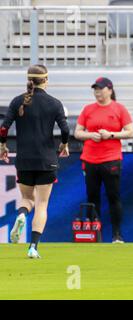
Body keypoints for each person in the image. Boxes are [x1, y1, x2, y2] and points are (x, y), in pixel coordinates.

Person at [0, 64, 70, 258]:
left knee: (27, 199)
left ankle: (22, 214)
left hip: (24, 160)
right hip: (47, 160)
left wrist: (3, 146)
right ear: (46, 80)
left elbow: (3, 128)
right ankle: (33, 247)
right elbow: (65, 130)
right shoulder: (54, 103)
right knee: (41, 204)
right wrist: (64, 144)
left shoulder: (17, 101)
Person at [74, 77, 133, 243]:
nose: (97, 92)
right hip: (90, 159)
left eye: (100, 88)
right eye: (95, 89)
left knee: (113, 197)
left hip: (111, 159)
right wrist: (90, 135)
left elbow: (130, 132)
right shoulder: (88, 109)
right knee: (92, 197)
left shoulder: (119, 109)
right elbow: (77, 132)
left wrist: (111, 135)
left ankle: (116, 235)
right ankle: (93, 235)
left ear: (109, 89)